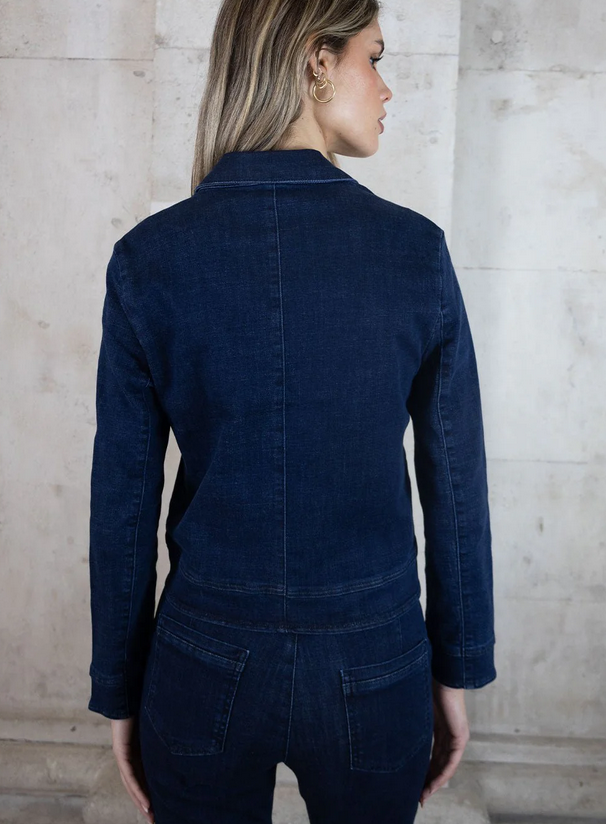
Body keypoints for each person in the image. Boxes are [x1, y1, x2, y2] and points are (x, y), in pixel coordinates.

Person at [87, 1, 497, 822]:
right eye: (374, 57)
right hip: (374, 658)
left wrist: (120, 690)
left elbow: (123, 505)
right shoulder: (415, 253)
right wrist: (457, 668)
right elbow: (456, 485)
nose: (386, 87)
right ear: (316, 61)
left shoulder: (148, 260)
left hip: (202, 659)